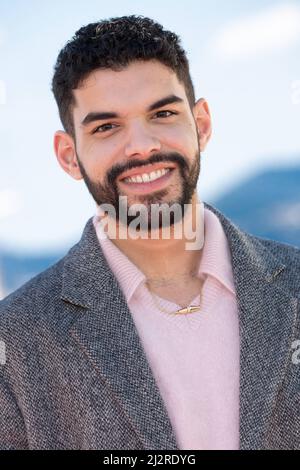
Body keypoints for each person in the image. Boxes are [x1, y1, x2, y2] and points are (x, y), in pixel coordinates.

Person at [0, 15, 299, 451]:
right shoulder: (17, 337)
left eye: (162, 113)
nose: (141, 146)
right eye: (106, 127)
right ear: (68, 155)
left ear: (202, 124)